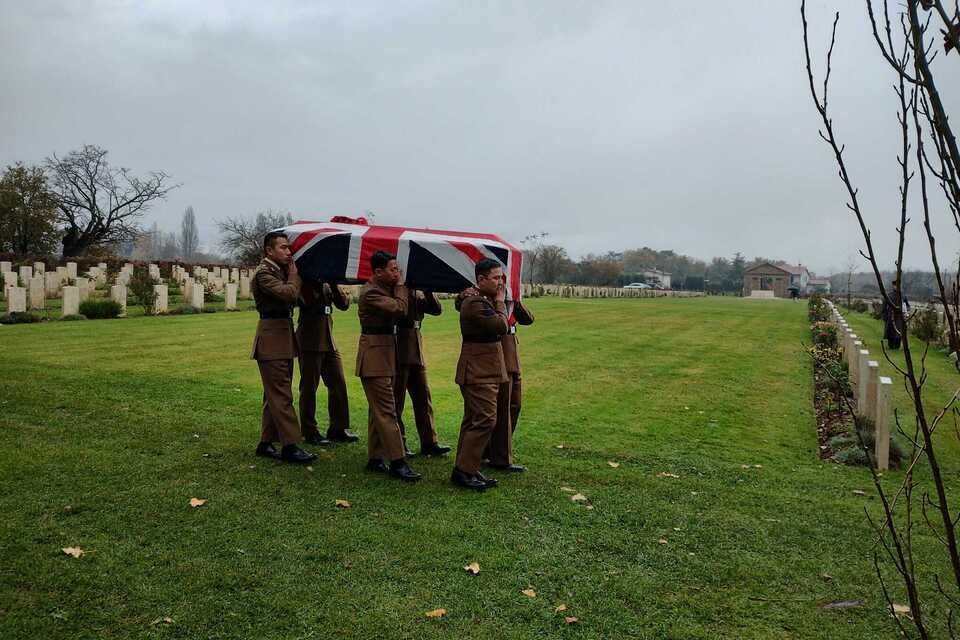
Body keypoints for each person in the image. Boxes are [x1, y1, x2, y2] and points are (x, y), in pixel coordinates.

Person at [355, 251, 421, 482]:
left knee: (378, 410)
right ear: (378, 271)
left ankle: (376, 458)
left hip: (385, 353)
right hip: (375, 357)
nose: (398, 273)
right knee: (387, 410)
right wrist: (402, 286)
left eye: (398, 269)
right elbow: (400, 309)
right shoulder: (372, 292)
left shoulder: (384, 288)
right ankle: (397, 462)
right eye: (393, 270)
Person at [250, 231, 316, 464]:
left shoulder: (279, 271)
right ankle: (290, 446)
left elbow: (300, 299)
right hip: (272, 339)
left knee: (274, 393)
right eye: (284, 248)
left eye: (289, 248)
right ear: (269, 250)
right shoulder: (264, 273)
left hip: (283, 337)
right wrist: (295, 276)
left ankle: (266, 442)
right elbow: (288, 294)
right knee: (281, 394)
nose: (289, 252)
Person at [451, 259, 509, 491]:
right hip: (478, 371)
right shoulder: (475, 303)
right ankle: (464, 471)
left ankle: (467, 468)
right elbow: (501, 326)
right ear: (481, 279)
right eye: (496, 278)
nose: (500, 282)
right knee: (484, 420)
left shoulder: (480, 299)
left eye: (501, 277)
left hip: (484, 370)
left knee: (473, 420)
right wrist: (501, 301)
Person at [296, 279, 359, 446]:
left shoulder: (328, 283)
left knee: (338, 383)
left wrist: (333, 284)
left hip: (328, 340)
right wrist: (316, 282)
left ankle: (338, 428)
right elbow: (307, 302)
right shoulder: (305, 281)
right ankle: (309, 431)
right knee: (309, 387)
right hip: (310, 340)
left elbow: (344, 305)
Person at [395, 288, 452, 457]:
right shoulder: (396, 289)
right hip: (399, 346)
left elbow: (436, 309)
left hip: (415, 347)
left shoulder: (418, 290)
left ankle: (429, 442)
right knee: (396, 400)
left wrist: (428, 290)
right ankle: (399, 443)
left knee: (423, 397)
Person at [487, 299, 535, 472]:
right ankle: (500, 458)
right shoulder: (487, 295)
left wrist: (516, 301)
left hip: (512, 346)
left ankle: (490, 450)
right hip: (499, 346)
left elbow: (528, 319)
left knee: (515, 405)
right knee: (504, 406)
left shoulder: (511, 297)